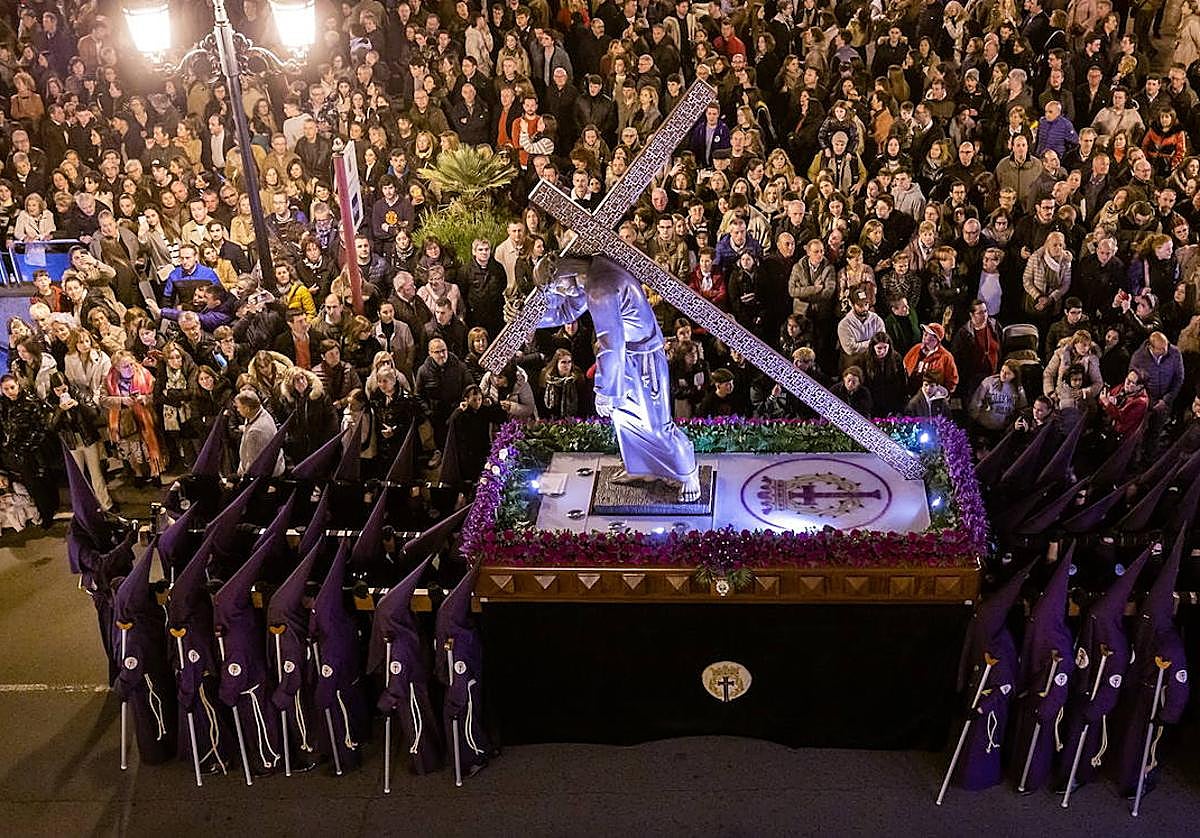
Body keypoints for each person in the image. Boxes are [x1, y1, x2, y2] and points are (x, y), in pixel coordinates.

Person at [100, 351, 164, 484]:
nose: (130, 368)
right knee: (131, 450)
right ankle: (138, 473)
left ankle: (155, 472)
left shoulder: (145, 374)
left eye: (131, 364)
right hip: (124, 420)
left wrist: (145, 398)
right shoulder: (109, 379)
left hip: (144, 416)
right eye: (125, 366)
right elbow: (103, 399)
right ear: (117, 368)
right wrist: (122, 401)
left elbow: (157, 394)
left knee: (148, 447)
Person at [967, 361, 1028, 439]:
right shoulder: (989, 382)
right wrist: (973, 420)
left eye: (1008, 373)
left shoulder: (1018, 389)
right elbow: (976, 401)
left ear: (1014, 375)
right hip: (984, 426)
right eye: (1002, 371)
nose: (1003, 374)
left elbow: (1022, 408)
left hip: (1003, 429)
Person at [234, 388, 284, 477]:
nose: (237, 410)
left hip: (264, 476)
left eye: (238, 407)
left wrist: (243, 477)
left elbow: (254, 464)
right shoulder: (262, 413)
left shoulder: (255, 432)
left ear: (247, 409)